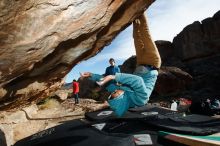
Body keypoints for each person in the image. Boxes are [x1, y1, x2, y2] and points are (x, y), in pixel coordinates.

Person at [80, 13, 161, 116]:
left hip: (140, 63)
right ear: (121, 99)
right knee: (145, 33)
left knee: (136, 38)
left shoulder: (119, 91)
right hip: (152, 62)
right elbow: (138, 81)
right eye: (115, 94)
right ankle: (142, 10)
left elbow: (105, 80)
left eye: (112, 93)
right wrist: (114, 76)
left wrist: (92, 75)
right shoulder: (140, 100)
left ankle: (136, 14)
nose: (114, 91)